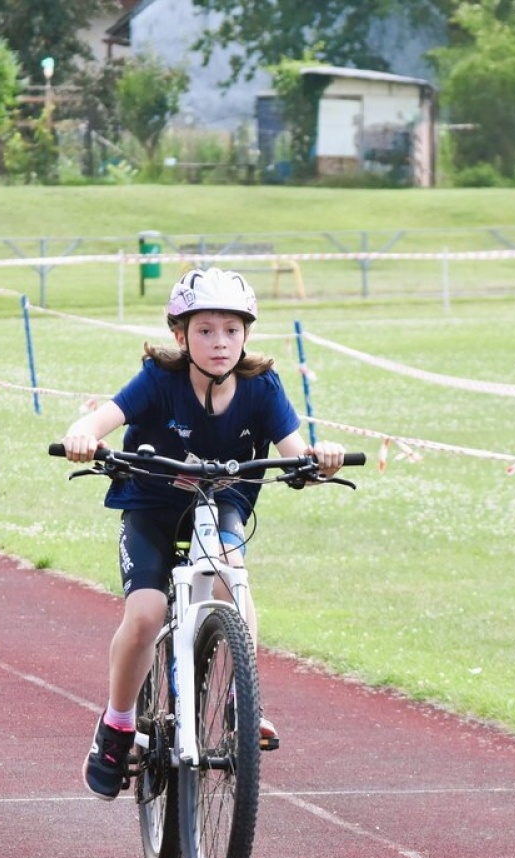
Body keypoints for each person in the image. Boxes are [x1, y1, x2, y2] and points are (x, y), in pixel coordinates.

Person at [61, 266, 348, 799]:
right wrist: (82, 435)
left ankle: (245, 703)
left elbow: (296, 451)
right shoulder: (159, 382)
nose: (221, 342)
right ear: (180, 335)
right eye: (206, 330)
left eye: (232, 330)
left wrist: (319, 459)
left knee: (233, 582)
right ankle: (118, 725)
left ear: (248, 334)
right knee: (146, 613)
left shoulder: (262, 389)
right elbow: (103, 419)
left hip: (222, 508)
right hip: (151, 508)